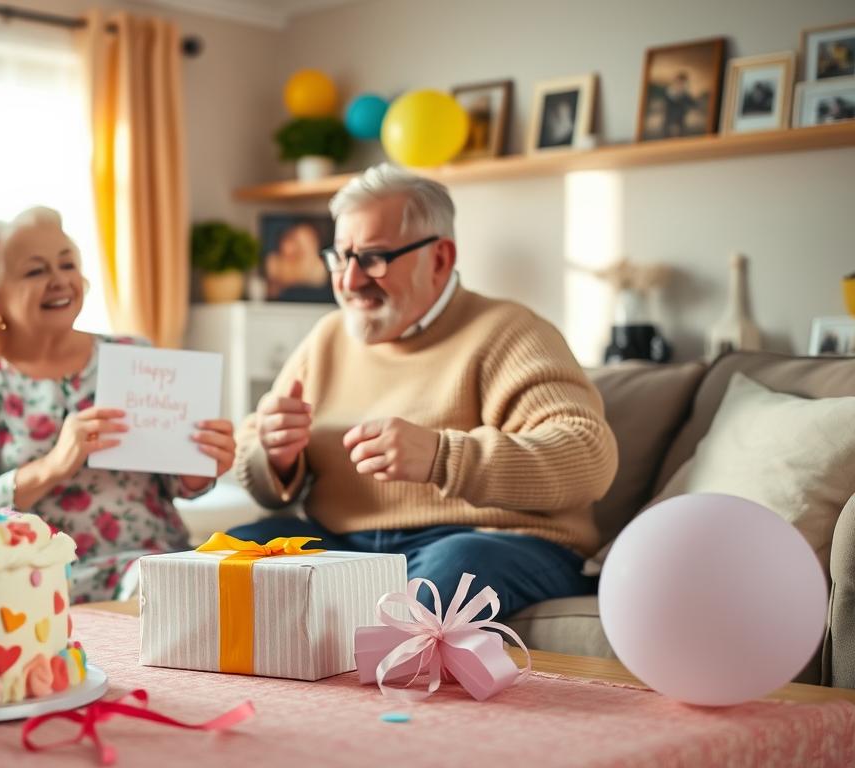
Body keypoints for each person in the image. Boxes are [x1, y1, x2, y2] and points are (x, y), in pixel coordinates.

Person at [230, 164, 617, 618]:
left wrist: (442, 456)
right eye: (340, 257)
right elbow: (253, 459)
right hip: (347, 545)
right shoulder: (327, 337)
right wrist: (275, 457)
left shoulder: (511, 332)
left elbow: (589, 458)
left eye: (373, 257)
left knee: (455, 569)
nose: (349, 281)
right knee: (231, 558)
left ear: (439, 259)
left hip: (492, 542)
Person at [0, 206, 237, 603]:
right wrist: (52, 466)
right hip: (32, 580)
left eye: (67, 264)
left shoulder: (133, 356)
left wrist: (199, 468)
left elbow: (174, 485)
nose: (60, 280)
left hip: (152, 568)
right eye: (35, 271)